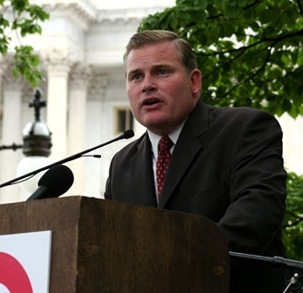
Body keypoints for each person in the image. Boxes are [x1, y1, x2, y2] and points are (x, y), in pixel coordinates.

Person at [104, 29, 288, 292]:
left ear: (194, 82)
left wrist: (170, 267)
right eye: (136, 76)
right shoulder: (122, 164)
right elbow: (111, 245)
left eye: (162, 72)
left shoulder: (245, 129)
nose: (147, 85)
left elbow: (256, 217)